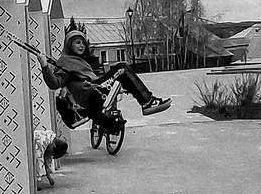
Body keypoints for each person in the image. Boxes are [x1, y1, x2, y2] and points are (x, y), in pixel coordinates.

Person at [41, 28, 171, 134]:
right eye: (77, 42)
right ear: (69, 45)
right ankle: (147, 102)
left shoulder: (78, 60)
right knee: (121, 68)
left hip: (94, 91)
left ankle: (140, 105)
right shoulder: (64, 63)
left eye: (83, 43)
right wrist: (45, 66)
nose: (81, 46)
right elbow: (54, 83)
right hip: (93, 93)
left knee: (123, 74)